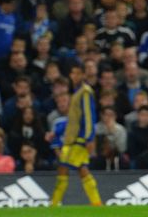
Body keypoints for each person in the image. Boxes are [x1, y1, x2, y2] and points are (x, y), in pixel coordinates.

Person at [50, 65, 102, 207]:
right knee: (78, 169)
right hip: (72, 138)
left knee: (67, 168)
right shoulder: (77, 92)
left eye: (78, 73)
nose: (75, 76)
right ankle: (96, 203)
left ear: (84, 75)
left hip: (78, 139)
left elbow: (89, 115)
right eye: (73, 73)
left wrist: (89, 138)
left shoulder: (85, 92)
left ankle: (54, 204)